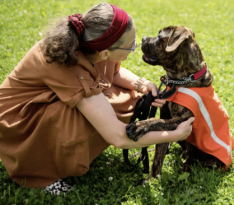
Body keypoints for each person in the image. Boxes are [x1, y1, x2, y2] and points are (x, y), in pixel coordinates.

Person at [0, 3, 194, 195]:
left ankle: (76, 151)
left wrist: (141, 84)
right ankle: (38, 173)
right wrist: (174, 135)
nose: (134, 46)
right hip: (18, 122)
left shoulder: (93, 43)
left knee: (126, 96)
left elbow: (114, 73)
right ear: (105, 53)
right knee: (72, 118)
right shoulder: (69, 64)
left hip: (45, 103)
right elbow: (118, 136)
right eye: (131, 46)